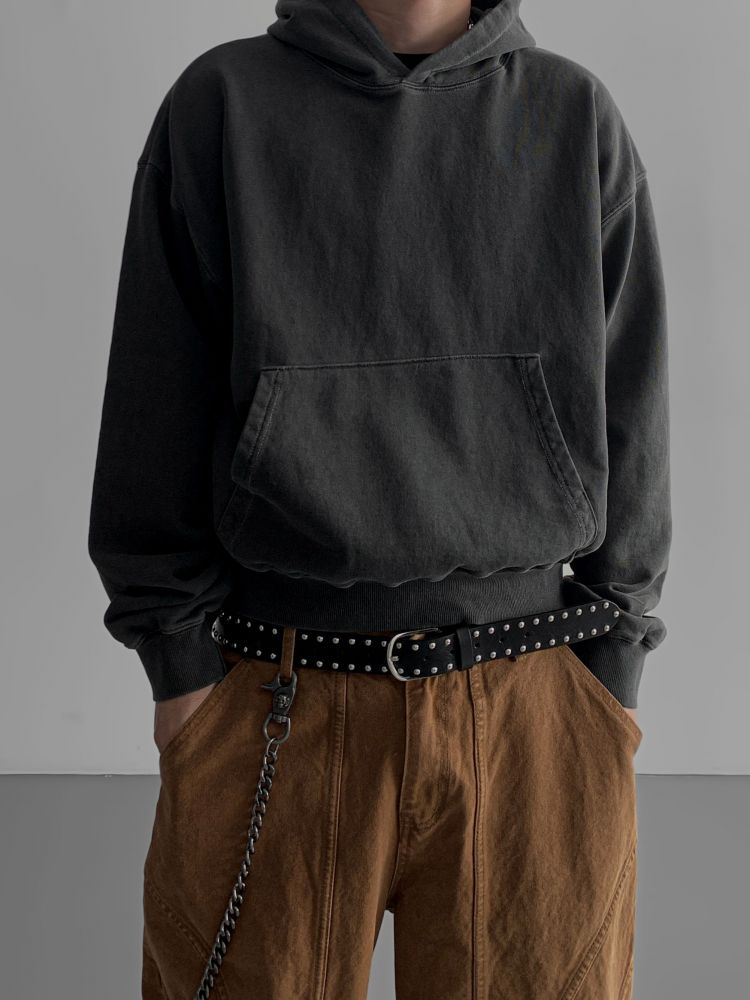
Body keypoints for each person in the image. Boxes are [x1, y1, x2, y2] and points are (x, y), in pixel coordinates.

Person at [87, 1, 671, 997]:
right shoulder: (222, 105)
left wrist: (608, 667)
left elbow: (635, 405)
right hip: (276, 699)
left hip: (532, 708)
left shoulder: (569, 114)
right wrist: (180, 669)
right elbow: (155, 404)